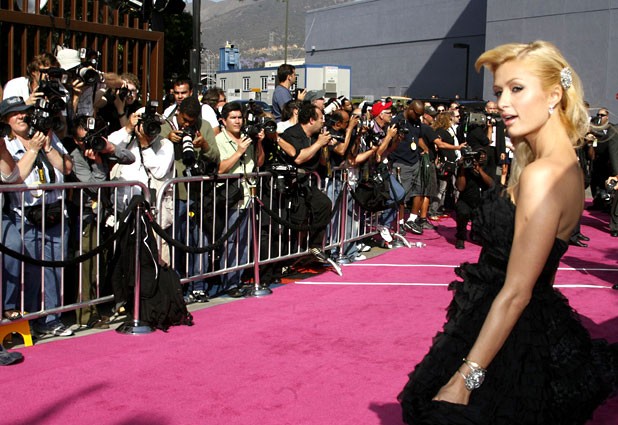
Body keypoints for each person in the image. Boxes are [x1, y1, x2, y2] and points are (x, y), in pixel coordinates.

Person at [399, 40, 618, 424]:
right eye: (499, 91)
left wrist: (466, 379)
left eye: (517, 89)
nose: (501, 102)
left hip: (505, 335)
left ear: (554, 95)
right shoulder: (563, 164)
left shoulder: (542, 174)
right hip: (525, 325)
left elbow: (517, 290)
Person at [453, 147, 494, 249]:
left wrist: (480, 171)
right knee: (462, 211)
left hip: (483, 202)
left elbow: (492, 184)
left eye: (484, 155)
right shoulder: (466, 167)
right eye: (479, 155)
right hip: (466, 201)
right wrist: (462, 170)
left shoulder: (489, 167)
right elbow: (460, 188)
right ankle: (460, 237)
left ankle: (477, 232)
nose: (482, 157)